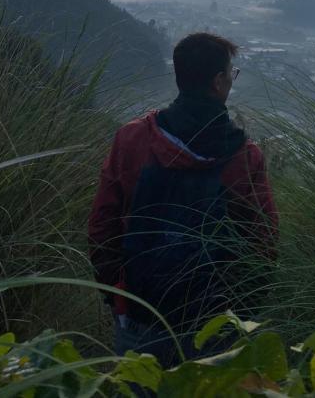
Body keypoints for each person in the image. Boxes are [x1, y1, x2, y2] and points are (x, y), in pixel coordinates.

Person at [88, 32, 278, 367]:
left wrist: (118, 295)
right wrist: (238, 314)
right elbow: (263, 246)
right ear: (218, 81)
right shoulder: (244, 156)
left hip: (139, 314)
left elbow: (102, 227)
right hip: (213, 324)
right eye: (231, 75)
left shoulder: (132, 139)